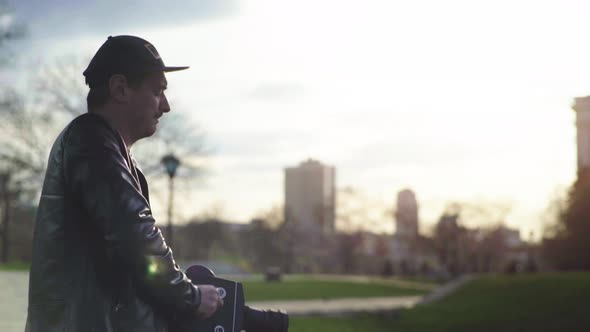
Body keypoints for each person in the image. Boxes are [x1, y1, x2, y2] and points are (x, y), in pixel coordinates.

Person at [25, 35, 223, 332]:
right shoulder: (89, 139)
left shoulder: (109, 151)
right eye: (157, 91)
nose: (165, 106)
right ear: (120, 89)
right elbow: (135, 235)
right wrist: (190, 296)